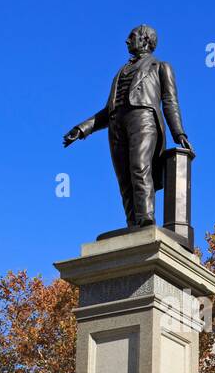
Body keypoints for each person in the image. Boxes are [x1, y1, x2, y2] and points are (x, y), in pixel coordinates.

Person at [63, 24, 192, 227]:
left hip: (144, 118)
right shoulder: (120, 72)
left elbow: (170, 101)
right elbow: (108, 110)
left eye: (131, 36)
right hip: (116, 124)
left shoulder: (160, 67)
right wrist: (82, 128)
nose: (126, 40)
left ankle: (146, 218)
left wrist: (179, 133)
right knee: (123, 178)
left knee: (140, 167)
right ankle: (132, 223)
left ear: (145, 40)